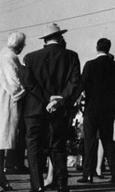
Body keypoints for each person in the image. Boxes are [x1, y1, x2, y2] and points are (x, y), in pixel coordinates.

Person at [23, 23, 81, 192]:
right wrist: (58, 100)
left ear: (45, 40)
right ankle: (62, 184)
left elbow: (29, 84)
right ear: (60, 37)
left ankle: (37, 186)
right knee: (58, 146)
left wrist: (47, 99)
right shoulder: (72, 56)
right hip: (59, 110)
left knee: (33, 148)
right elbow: (75, 82)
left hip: (34, 110)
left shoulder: (30, 58)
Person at [78, 38, 115, 185]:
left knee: (89, 142)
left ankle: (88, 174)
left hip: (92, 108)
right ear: (109, 48)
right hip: (108, 110)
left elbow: (82, 84)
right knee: (108, 141)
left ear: (97, 47)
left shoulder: (90, 65)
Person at [0, 32, 26, 191]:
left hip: (3, 102)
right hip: (5, 104)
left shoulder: (3, 54)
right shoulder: (9, 57)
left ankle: (1, 178)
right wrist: (25, 92)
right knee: (2, 140)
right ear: (19, 46)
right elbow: (14, 83)